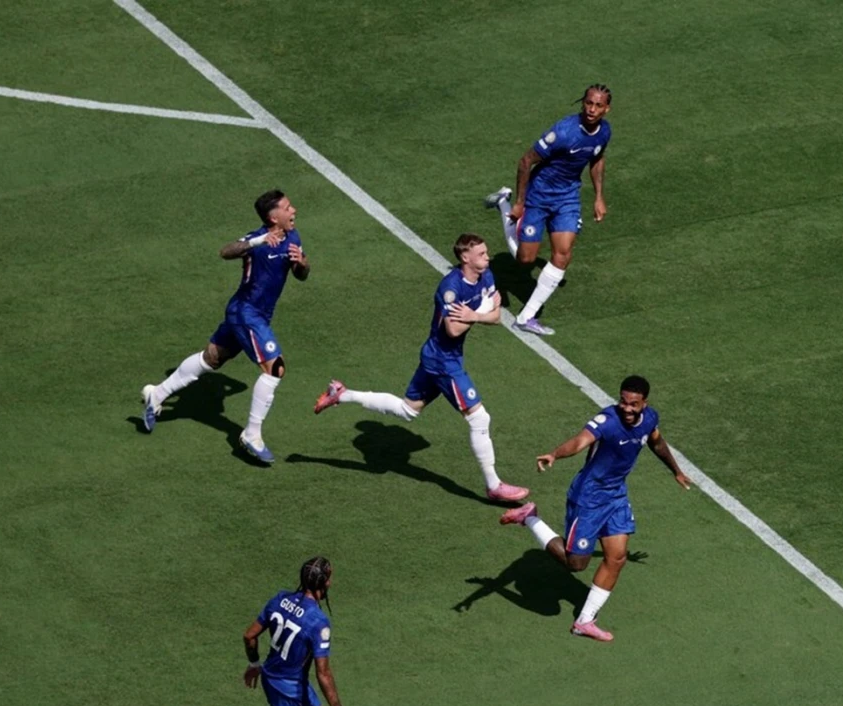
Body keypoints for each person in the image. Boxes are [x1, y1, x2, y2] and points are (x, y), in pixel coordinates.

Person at [312, 233, 529, 502]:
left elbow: (497, 316)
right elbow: (452, 329)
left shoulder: (486, 276)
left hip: (441, 356)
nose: (487, 256)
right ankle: (494, 485)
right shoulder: (450, 288)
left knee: (407, 411)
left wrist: (476, 314)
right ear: (465, 258)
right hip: (442, 362)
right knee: (479, 417)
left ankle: (342, 394)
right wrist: (480, 313)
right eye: (482, 253)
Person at [499, 375, 691, 641]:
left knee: (617, 557)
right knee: (575, 564)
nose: (626, 408)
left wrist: (676, 471)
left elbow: (656, 442)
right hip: (588, 497)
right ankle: (530, 518)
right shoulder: (607, 421)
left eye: (633, 404)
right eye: (623, 401)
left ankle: (584, 621)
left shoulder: (650, 419)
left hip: (616, 496)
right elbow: (580, 442)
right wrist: (555, 454)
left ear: (644, 403)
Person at [139, 190, 309, 463]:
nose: (294, 211)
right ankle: (251, 435)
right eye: (288, 208)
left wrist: (302, 263)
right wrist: (259, 241)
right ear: (272, 217)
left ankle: (155, 394)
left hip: (256, 316)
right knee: (275, 368)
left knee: (212, 358)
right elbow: (226, 251)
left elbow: (302, 274)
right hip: (246, 313)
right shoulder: (259, 240)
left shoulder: (293, 238)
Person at [485, 84, 613, 336]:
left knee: (563, 254)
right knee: (525, 260)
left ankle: (526, 317)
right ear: (582, 103)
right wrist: (520, 202)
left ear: (606, 109)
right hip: (539, 196)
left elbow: (597, 159)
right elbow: (526, 160)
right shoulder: (563, 132)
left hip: (567, 198)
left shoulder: (604, 132)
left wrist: (599, 196)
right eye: (588, 103)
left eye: (598, 105)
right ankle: (504, 203)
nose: (591, 109)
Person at [227, 556, 354, 706]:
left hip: (275, 675)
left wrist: (255, 664)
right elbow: (323, 673)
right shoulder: (317, 621)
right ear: (322, 583)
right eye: (330, 578)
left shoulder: (280, 598)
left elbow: (249, 635)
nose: (331, 583)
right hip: (288, 688)